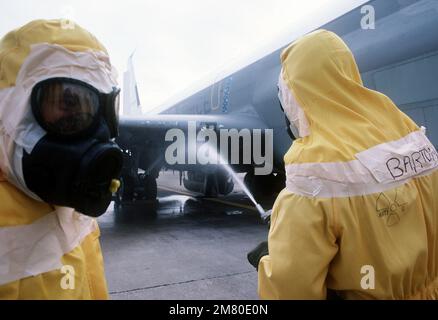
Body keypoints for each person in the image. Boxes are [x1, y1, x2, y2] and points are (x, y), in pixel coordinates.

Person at [248, 29, 438, 299]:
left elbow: (292, 291)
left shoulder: (313, 172)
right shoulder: (410, 134)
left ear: (295, 93)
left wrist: (269, 262)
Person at [0, 19, 123, 299]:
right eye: (69, 103)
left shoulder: (73, 208)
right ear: (8, 111)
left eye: (107, 110)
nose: (101, 131)